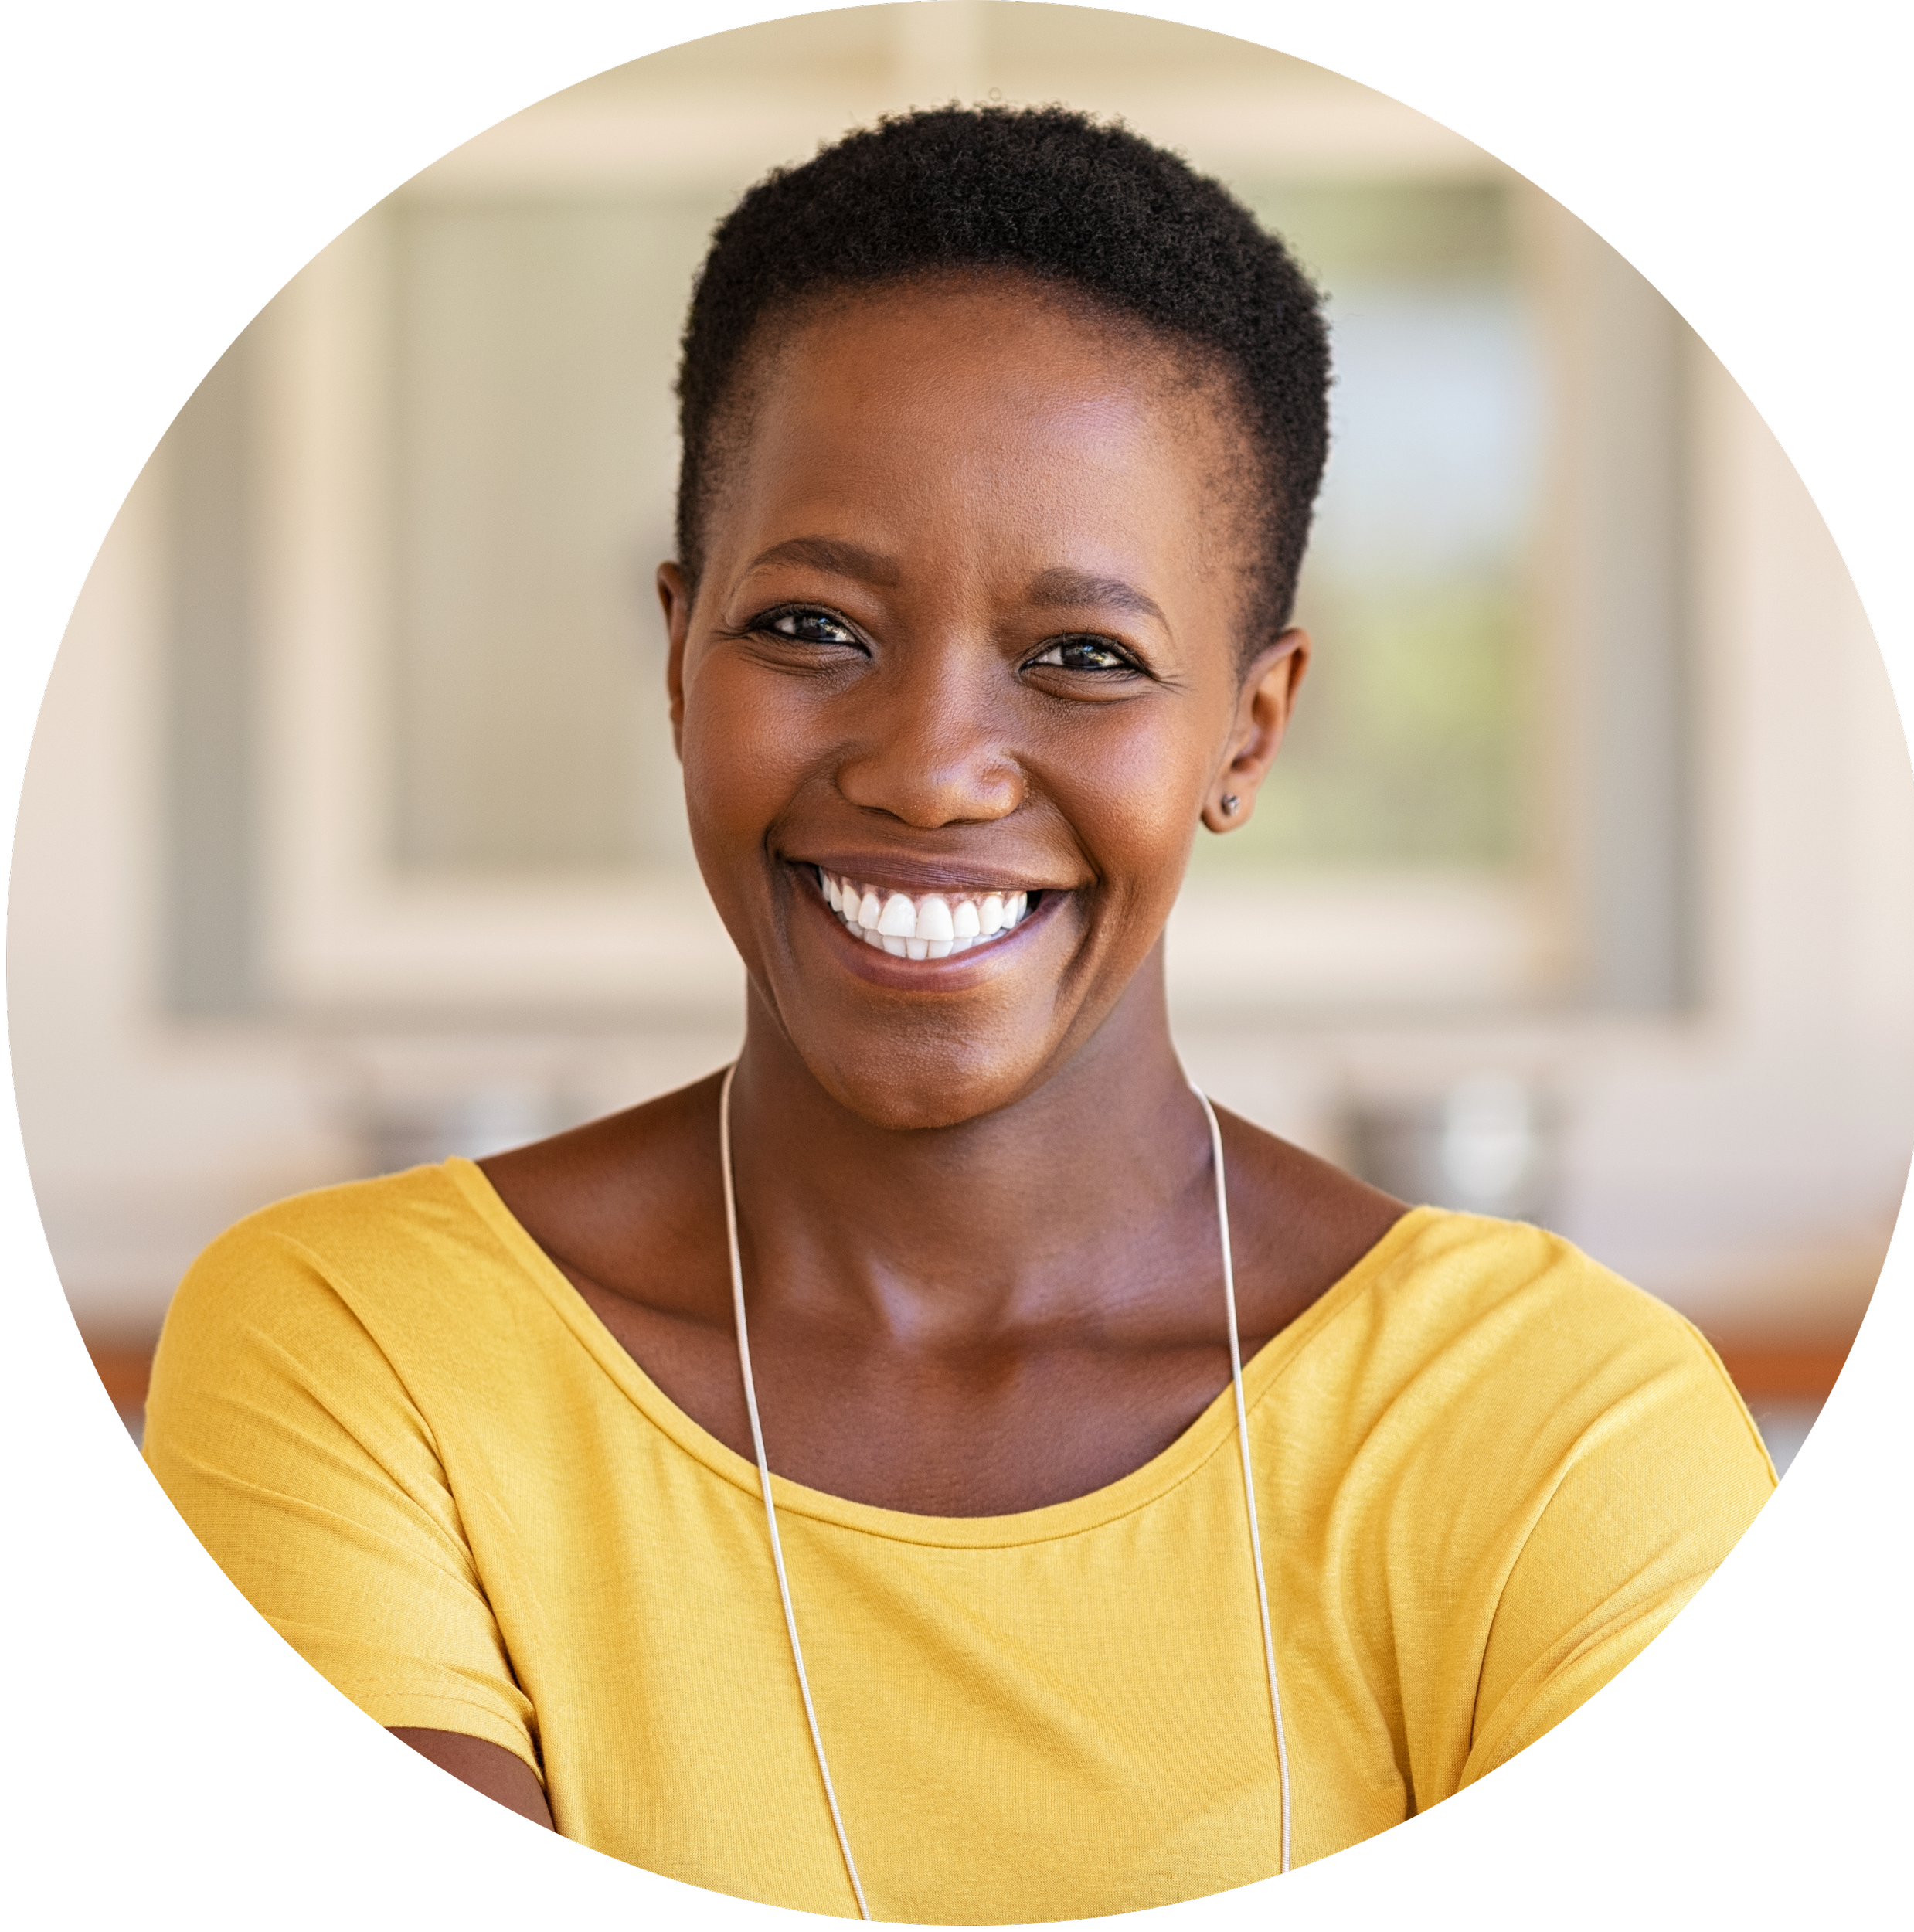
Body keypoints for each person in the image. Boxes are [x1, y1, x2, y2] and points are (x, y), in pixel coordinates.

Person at [143, 106, 1776, 1924]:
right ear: (677, 655)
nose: (928, 770)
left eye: (1082, 655)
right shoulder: (361, 1352)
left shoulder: (1550, 1424)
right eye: (811, 628)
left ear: (1247, 729)